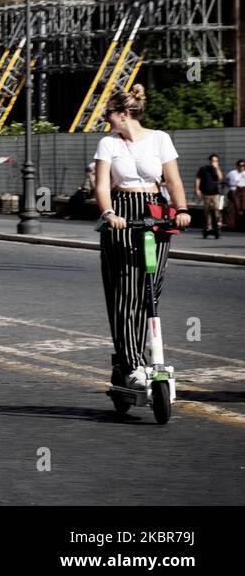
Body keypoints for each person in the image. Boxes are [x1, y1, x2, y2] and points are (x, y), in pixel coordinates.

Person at [93, 85, 192, 391]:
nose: (105, 118)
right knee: (126, 292)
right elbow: (102, 186)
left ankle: (143, 355)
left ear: (124, 114)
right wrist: (109, 213)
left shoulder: (160, 138)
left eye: (108, 112)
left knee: (150, 289)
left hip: (155, 210)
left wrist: (182, 209)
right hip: (122, 213)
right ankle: (132, 362)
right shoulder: (108, 143)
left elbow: (172, 180)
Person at [194, 153, 223, 239]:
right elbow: (198, 179)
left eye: (216, 161)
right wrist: (197, 189)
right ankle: (208, 226)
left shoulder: (216, 170)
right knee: (207, 210)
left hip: (215, 193)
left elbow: (220, 178)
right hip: (206, 193)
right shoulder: (203, 169)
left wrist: (217, 167)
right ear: (210, 161)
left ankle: (218, 223)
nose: (214, 162)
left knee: (216, 208)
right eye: (213, 160)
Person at [227, 159, 245, 231]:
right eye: (240, 165)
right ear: (237, 166)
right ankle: (232, 224)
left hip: (243, 190)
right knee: (234, 207)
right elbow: (226, 179)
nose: (241, 167)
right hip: (234, 191)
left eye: (243, 166)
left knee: (242, 206)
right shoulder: (232, 173)